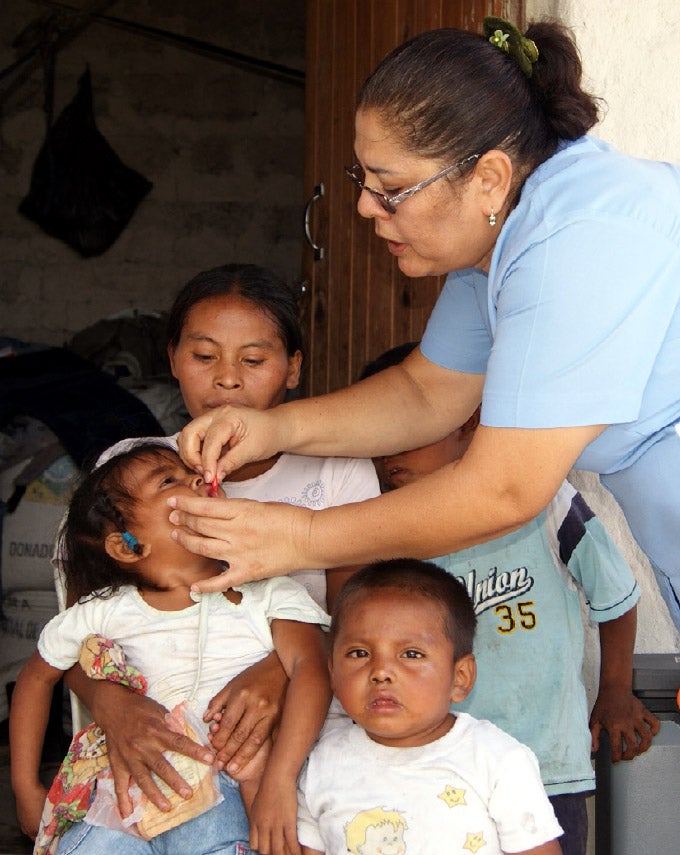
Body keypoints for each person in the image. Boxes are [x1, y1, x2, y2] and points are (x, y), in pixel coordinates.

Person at [165, 18, 680, 635]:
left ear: (487, 179)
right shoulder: (498, 231)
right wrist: (273, 428)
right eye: (364, 180)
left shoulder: (575, 243)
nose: (363, 207)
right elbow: (427, 392)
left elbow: (505, 489)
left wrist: (302, 536)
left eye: (392, 188)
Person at [60, 263, 379, 815]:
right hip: (160, 749)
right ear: (172, 360)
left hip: (303, 742)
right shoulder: (131, 473)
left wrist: (282, 669)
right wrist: (110, 703)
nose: (227, 379)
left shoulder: (338, 472)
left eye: (253, 360)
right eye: (204, 356)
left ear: (293, 368)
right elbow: (76, 630)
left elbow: (360, 620)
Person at [358, 341, 659, 855]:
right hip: (437, 769)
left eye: (407, 433)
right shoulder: (383, 523)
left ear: (469, 420)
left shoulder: (544, 500)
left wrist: (614, 689)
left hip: (546, 765)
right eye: (378, 438)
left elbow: (616, 594)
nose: (389, 454)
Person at [11, 443, 331, 855]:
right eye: (169, 481)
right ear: (129, 546)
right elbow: (36, 677)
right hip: (129, 793)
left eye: (194, 474)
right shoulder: (105, 609)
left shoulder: (269, 592)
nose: (198, 479)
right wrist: (25, 787)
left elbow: (312, 669)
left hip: (234, 789)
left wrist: (280, 780)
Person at [296, 559, 564, 855]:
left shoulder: (496, 760)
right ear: (332, 673)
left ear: (460, 678)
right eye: (359, 653)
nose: (381, 672)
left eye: (411, 654)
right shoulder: (322, 765)